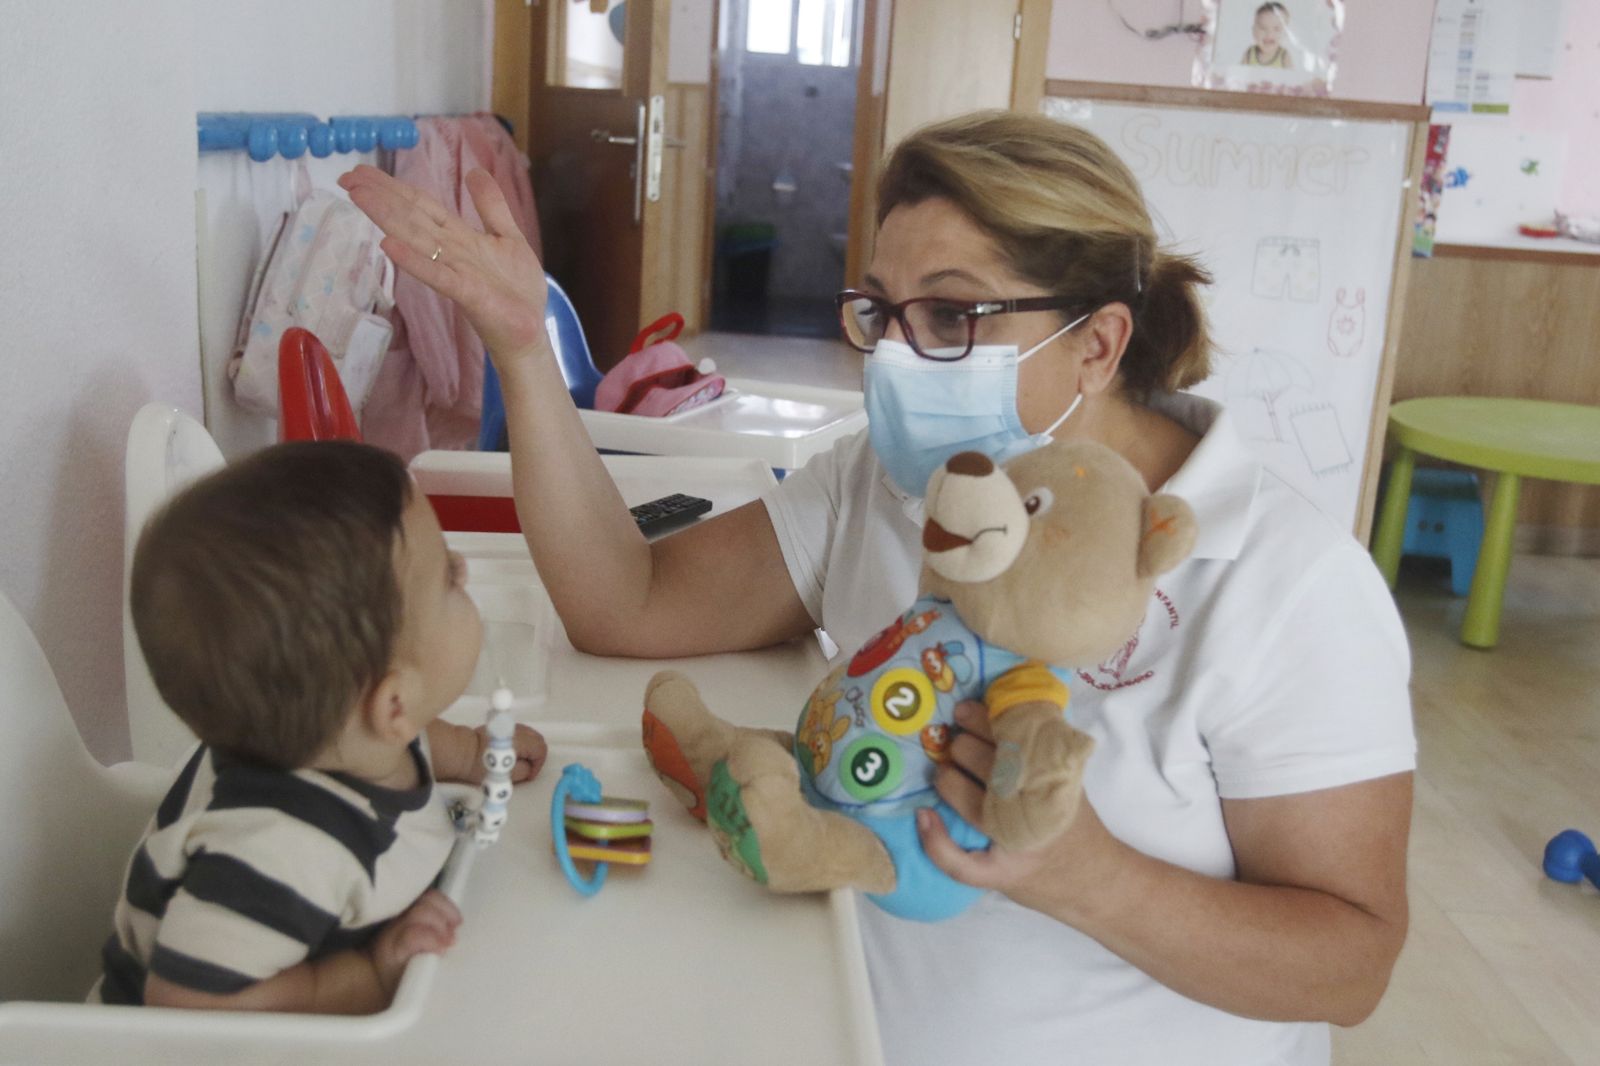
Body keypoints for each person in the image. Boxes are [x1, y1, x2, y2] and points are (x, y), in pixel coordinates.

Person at [339, 108, 1414, 1064]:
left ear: (1097, 342)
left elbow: (1348, 962)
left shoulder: (1285, 579)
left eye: (950, 317)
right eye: (882, 313)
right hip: (833, 1018)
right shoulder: (891, 481)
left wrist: (1084, 875)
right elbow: (626, 602)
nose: (894, 359)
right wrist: (524, 354)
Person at [98, 441, 548, 1013]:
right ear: (392, 704)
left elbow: (414, 743)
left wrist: (475, 750)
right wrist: (366, 974)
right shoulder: (279, 853)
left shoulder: (338, 736)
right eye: (449, 579)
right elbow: (188, 1005)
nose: (462, 570)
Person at [1242, 2, 1293, 68]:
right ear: (1254, 31)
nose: (1269, 34)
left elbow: (1292, 77)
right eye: (1263, 28)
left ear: (1286, 33)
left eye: (1276, 29)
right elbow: (1239, 74)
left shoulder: (1284, 56)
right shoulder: (1249, 54)